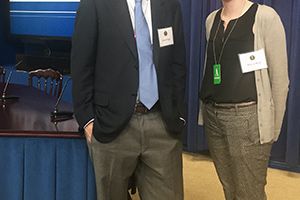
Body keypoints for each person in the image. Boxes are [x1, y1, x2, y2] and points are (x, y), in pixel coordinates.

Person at [71, 0, 186, 199]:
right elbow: (81, 63)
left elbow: (177, 61)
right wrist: (88, 120)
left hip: (162, 123)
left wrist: (178, 112)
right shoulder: (94, 4)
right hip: (111, 126)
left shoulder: (169, 4)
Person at [198, 0, 289, 199]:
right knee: (229, 188)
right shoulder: (211, 20)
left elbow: (280, 79)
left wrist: (272, 129)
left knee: (249, 192)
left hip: (248, 119)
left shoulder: (265, 17)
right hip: (213, 116)